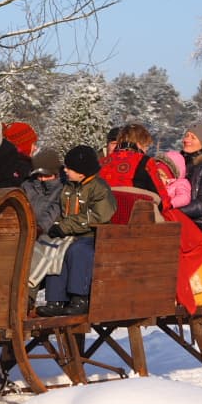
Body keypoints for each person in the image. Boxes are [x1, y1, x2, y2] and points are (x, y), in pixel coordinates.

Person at [36, 145, 117, 317]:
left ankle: (80, 297)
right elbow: (60, 209)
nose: (64, 170)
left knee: (77, 252)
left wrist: (65, 227)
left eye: (68, 168)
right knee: (54, 249)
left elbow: (98, 216)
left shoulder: (99, 188)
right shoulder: (69, 187)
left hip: (93, 237)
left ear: (82, 172)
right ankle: (55, 299)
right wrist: (52, 226)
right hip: (71, 235)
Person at [98, 123, 172, 210]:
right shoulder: (145, 161)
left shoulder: (101, 162)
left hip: (103, 215)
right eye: (146, 146)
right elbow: (163, 200)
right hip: (133, 216)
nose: (146, 150)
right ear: (139, 143)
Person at [20, 147, 63, 235]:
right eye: (39, 175)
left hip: (47, 233)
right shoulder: (27, 186)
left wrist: (39, 228)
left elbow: (54, 212)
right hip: (24, 230)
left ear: (55, 173)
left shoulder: (62, 189)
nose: (42, 179)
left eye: (46, 175)